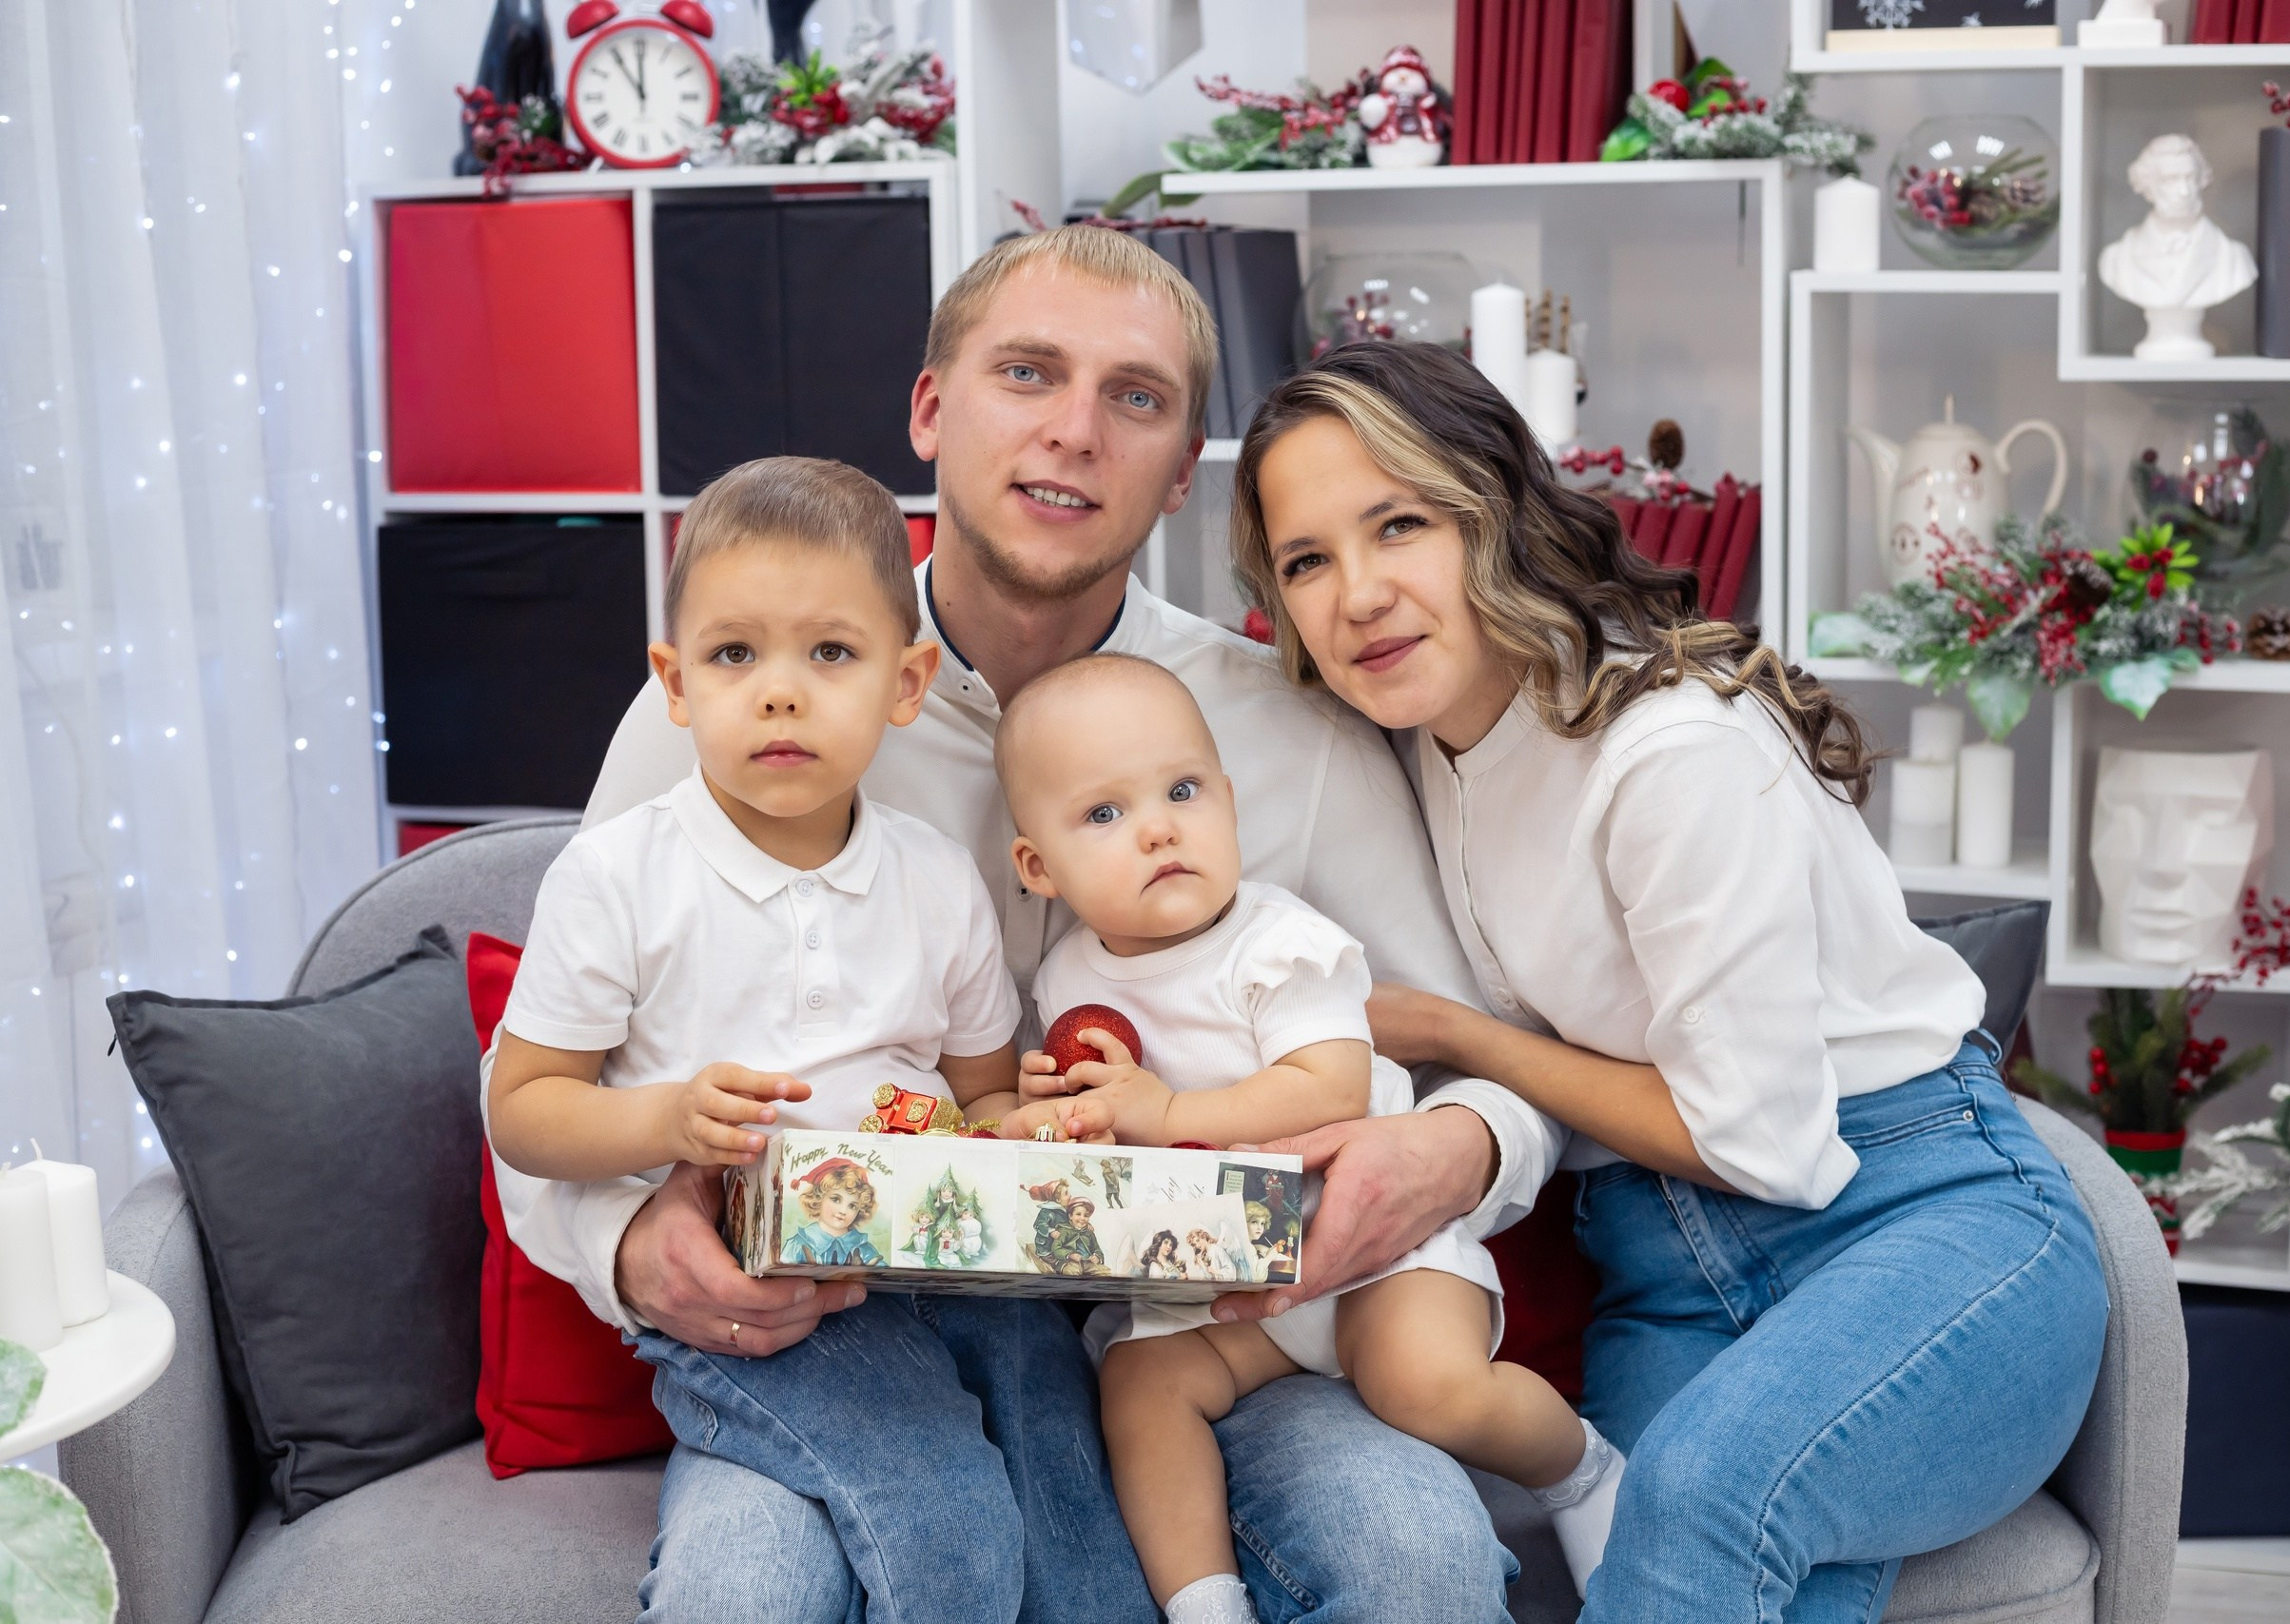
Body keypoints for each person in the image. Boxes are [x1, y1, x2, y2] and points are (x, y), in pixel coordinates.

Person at [509, 224, 1548, 1622]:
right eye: (1028, 372)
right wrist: (632, 1252)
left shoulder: (1282, 731)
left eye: (1134, 397)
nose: (1073, 431)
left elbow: (1482, 1047)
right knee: (739, 1585)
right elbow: (544, 1071)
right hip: (842, 1326)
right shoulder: (727, 708)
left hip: (1212, 1337)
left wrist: (1462, 1141)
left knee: (1413, 1561)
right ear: (933, 407)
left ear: (1185, 469)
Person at [1227, 340, 2111, 1621]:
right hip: (1661, 1263)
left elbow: (1757, 1137)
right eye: (1307, 559)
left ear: (1495, 513)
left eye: (1398, 522)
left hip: (1923, 1221)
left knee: (1696, 1495)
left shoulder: (1670, 748)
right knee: (1706, 1557)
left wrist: (1450, 1030)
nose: (1358, 592)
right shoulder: (1429, 734)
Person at [485, 456, 1068, 1619]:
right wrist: (662, 1118)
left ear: (906, 684)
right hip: (752, 1303)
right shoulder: (618, 875)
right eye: (735, 654)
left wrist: (1036, 1132)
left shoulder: (935, 879)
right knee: (948, 1526)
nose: (781, 693)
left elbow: (983, 1100)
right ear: (676, 684)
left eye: (831, 654)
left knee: (1071, 1507)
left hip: (938, 1284)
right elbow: (525, 1106)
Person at [997, 653, 1620, 1620]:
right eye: (1104, 815)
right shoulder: (1070, 977)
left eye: (1183, 790)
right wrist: (1060, 1112)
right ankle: (1203, 1602)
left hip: (1372, 1251)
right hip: (1227, 1286)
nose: (1159, 826)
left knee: (1428, 1387)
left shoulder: (1279, 941)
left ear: (1231, 802)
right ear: (1038, 867)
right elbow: (1113, 1138)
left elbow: (1322, 1088)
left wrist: (1161, 1113)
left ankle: (1578, 1470)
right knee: (1138, 1386)